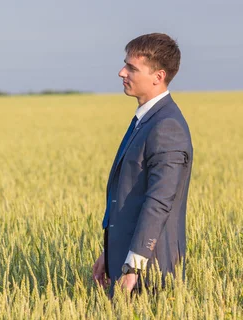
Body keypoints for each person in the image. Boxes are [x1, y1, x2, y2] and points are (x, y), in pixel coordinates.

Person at [92, 33, 194, 298]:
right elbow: (130, 196)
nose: (121, 72)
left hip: (148, 272)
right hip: (127, 261)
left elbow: (159, 201)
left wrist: (133, 264)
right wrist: (111, 251)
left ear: (157, 77)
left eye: (132, 68)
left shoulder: (166, 126)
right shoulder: (147, 119)